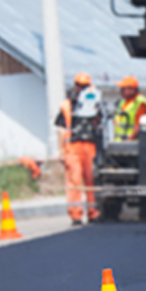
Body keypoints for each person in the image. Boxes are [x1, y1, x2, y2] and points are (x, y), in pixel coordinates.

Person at [54, 72, 105, 224]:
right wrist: (61, 151)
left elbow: (100, 123)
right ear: (75, 86)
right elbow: (61, 128)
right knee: (74, 181)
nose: (81, 89)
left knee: (91, 180)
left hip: (90, 145)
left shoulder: (94, 104)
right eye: (79, 86)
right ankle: (76, 215)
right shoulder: (68, 105)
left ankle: (93, 212)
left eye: (85, 87)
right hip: (73, 146)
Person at [111, 75, 146, 142]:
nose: (121, 91)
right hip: (119, 142)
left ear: (132, 90)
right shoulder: (122, 102)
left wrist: (128, 141)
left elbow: (139, 127)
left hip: (133, 144)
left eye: (123, 89)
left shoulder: (141, 103)